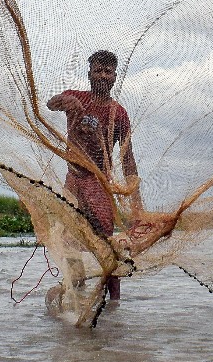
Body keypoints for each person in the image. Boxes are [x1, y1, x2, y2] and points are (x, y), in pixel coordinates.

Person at [46, 49, 142, 301]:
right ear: (89, 74)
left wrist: (136, 203)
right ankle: (77, 290)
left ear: (114, 77)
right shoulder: (75, 97)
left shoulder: (118, 113)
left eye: (107, 71)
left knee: (107, 242)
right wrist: (63, 101)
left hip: (99, 182)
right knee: (68, 237)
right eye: (97, 70)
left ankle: (114, 303)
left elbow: (128, 159)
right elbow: (50, 103)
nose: (102, 75)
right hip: (74, 178)